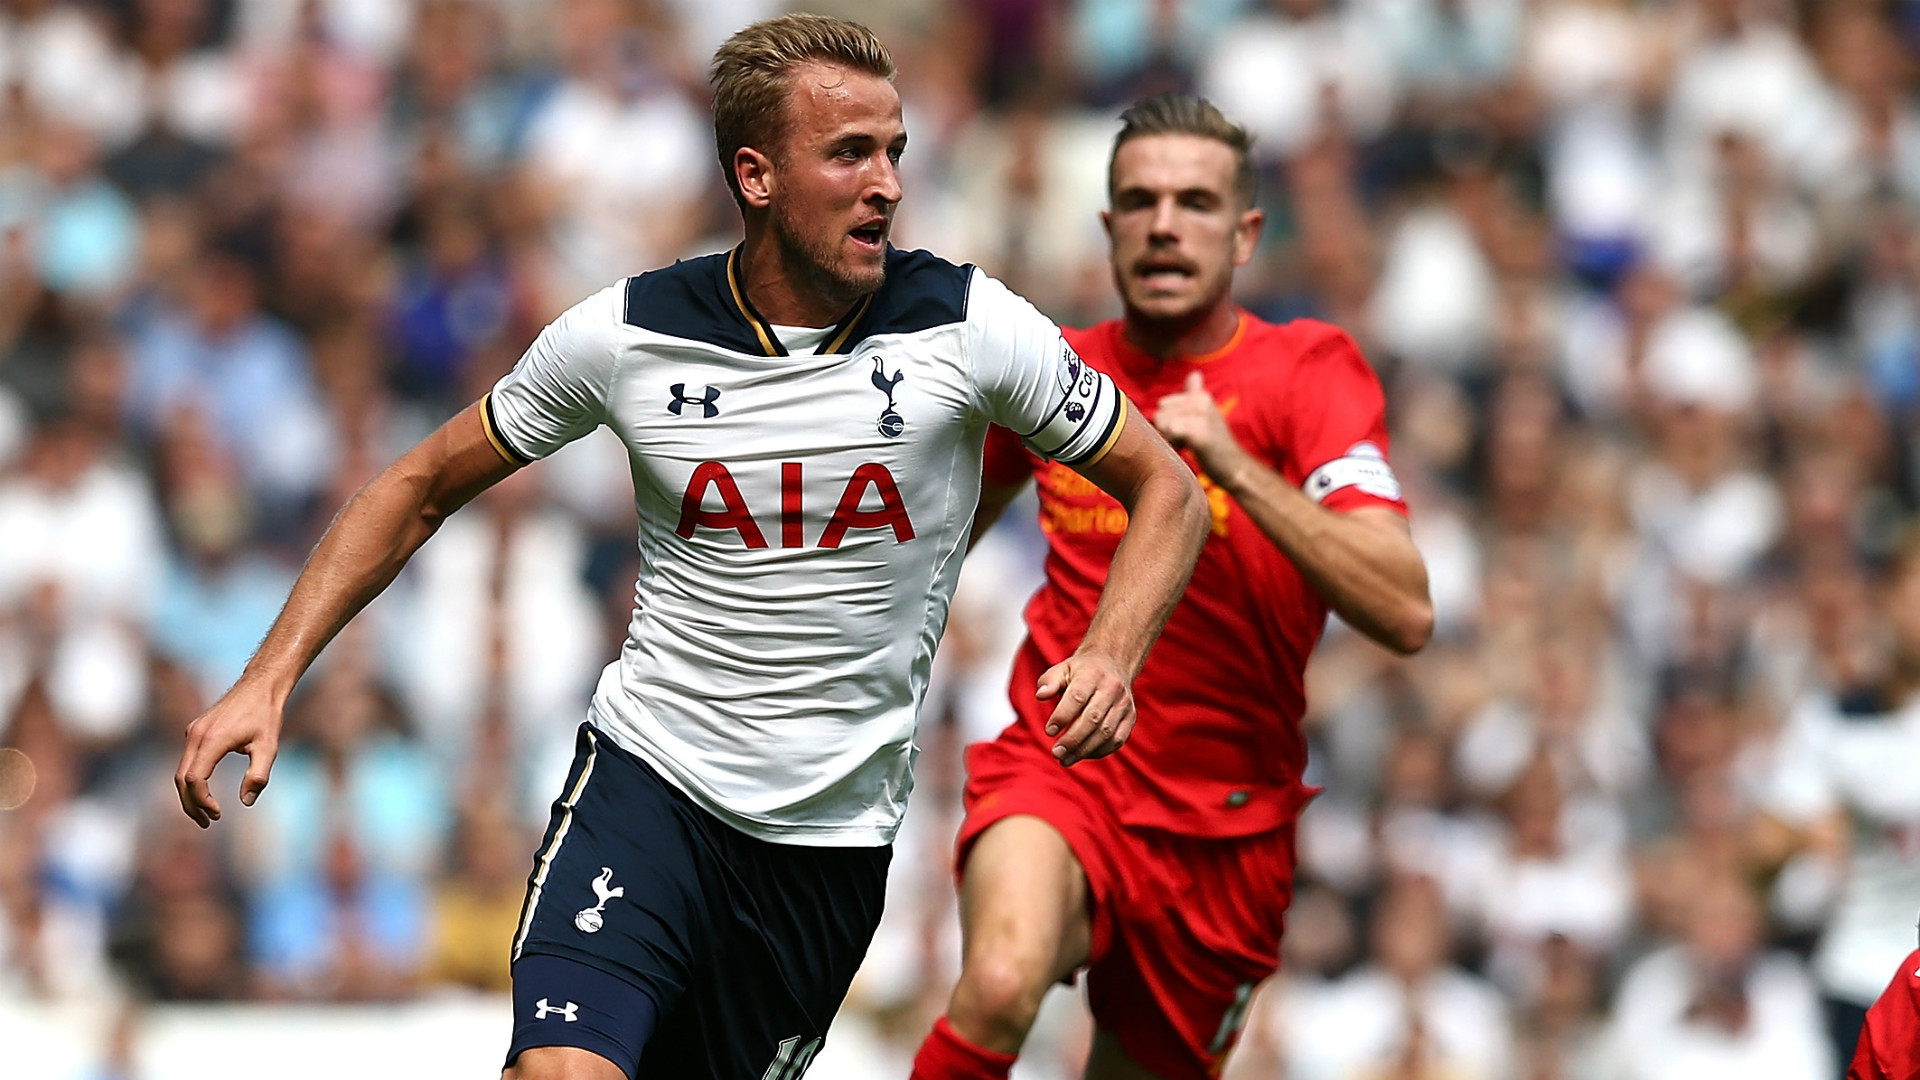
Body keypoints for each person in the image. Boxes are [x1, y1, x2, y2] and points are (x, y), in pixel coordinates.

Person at [171, 16, 1209, 1080]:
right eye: (850, 153)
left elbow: (1167, 493)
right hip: (649, 787)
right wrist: (269, 674)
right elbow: (420, 485)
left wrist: (1113, 650)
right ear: (755, 175)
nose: (888, 185)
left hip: (824, 849)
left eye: (895, 151)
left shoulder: (969, 325)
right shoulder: (627, 335)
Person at [913, 92, 1433, 1080]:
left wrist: (1234, 467)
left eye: (1194, 202)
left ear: (1245, 235)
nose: (1163, 223)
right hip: (1065, 767)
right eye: (1139, 201)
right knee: (997, 982)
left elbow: (1405, 607)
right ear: (1107, 227)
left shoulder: (1308, 373)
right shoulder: (1055, 374)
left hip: (1227, 829)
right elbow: (926, 542)